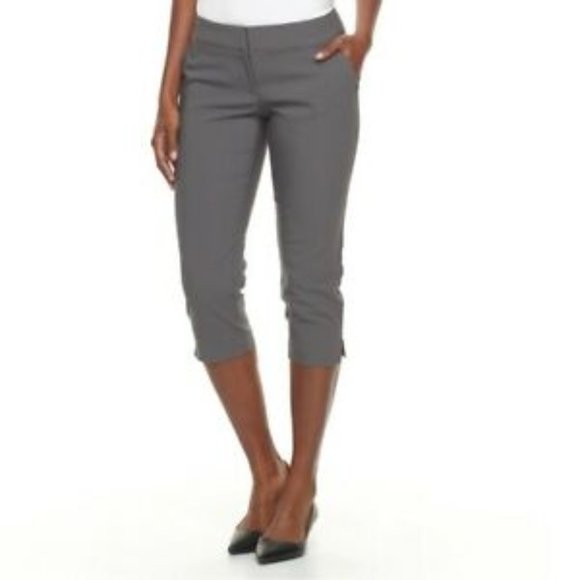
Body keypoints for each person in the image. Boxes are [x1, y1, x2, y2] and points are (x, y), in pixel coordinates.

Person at [151, 0, 382, 565]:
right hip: (211, 64)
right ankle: (266, 472)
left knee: (311, 281)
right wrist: (168, 85)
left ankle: (301, 484)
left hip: (312, 58)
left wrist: (364, 34)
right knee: (207, 283)